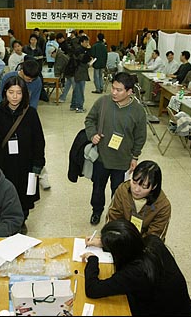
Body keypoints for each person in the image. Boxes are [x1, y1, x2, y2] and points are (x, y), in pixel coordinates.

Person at [82, 219, 191, 316]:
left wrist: (92, 259)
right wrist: (104, 242)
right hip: (181, 308)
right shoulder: (153, 241)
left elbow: (93, 290)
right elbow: (129, 245)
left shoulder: (134, 272)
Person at [85, 72, 147, 225]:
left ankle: (115, 216)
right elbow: (89, 119)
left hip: (122, 160)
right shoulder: (103, 102)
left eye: (119, 90)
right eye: (113, 88)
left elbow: (140, 136)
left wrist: (135, 157)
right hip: (101, 157)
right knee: (98, 188)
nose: (114, 92)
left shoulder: (138, 111)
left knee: (118, 192)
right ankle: (96, 211)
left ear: (129, 91)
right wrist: (92, 134)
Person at [0, 76, 46, 234]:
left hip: (26, 163)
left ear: (24, 94)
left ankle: (22, 220)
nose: (14, 96)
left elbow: (39, 140)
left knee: (24, 193)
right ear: (4, 92)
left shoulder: (31, 114)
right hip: (4, 162)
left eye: (19, 93)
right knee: (5, 192)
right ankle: (7, 219)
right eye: (11, 92)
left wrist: (38, 164)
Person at [105, 160, 171, 241]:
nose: (136, 189)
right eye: (134, 182)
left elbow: (155, 236)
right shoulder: (123, 190)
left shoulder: (163, 206)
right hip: (121, 239)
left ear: (154, 187)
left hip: (145, 245)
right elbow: (113, 218)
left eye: (144, 186)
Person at [72, 35, 91, 113]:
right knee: (80, 90)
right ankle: (79, 107)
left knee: (76, 89)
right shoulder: (80, 50)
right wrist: (88, 51)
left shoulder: (80, 49)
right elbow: (83, 59)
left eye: (88, 42)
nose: (87, 44)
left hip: (78, 71)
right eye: (86, 42)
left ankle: (73, 105)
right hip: (80, 72)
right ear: (81, 42)